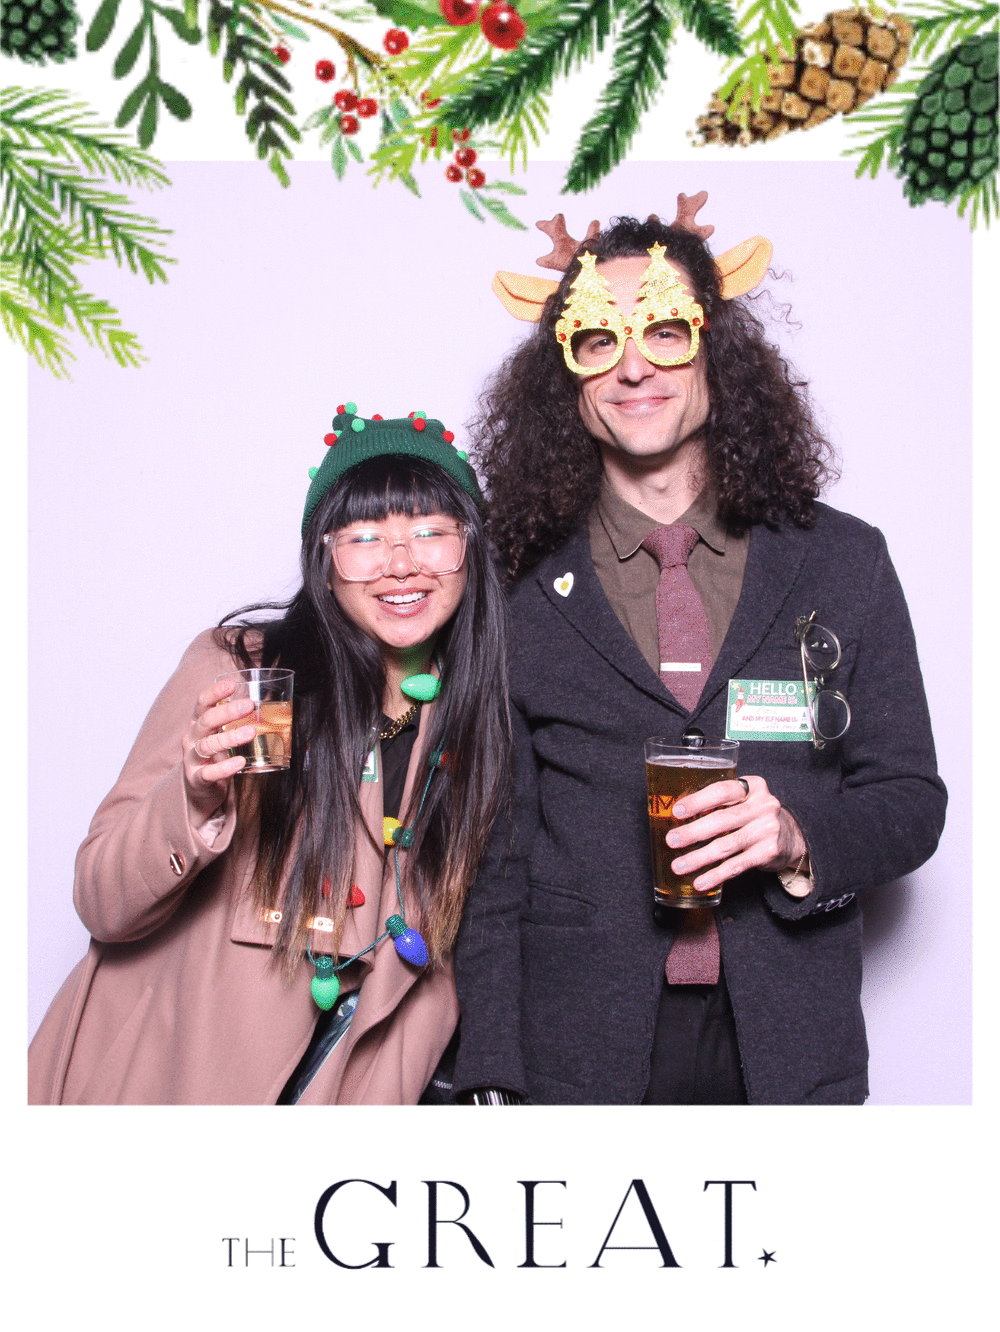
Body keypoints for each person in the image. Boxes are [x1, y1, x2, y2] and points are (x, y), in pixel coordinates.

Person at [450, 203, 947, 1106]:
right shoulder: (514, 584)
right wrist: (490, 1070)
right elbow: (493, 860)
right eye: (597, 341)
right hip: (578, 1058)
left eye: (665, 332)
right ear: (566, 377)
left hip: (791, 1047)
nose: (634, 366)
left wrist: (798, 838)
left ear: (715, 349)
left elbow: (910, 799)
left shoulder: (843, 559)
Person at [28, 406, 510, 1105]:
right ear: (325, 560)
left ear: (470, 548)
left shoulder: (485, 716)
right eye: (364, 537)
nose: (401, 563)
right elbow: (101, 902)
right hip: (171, 1081)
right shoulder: (251, 679)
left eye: (432, 532)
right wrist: (193, 799)